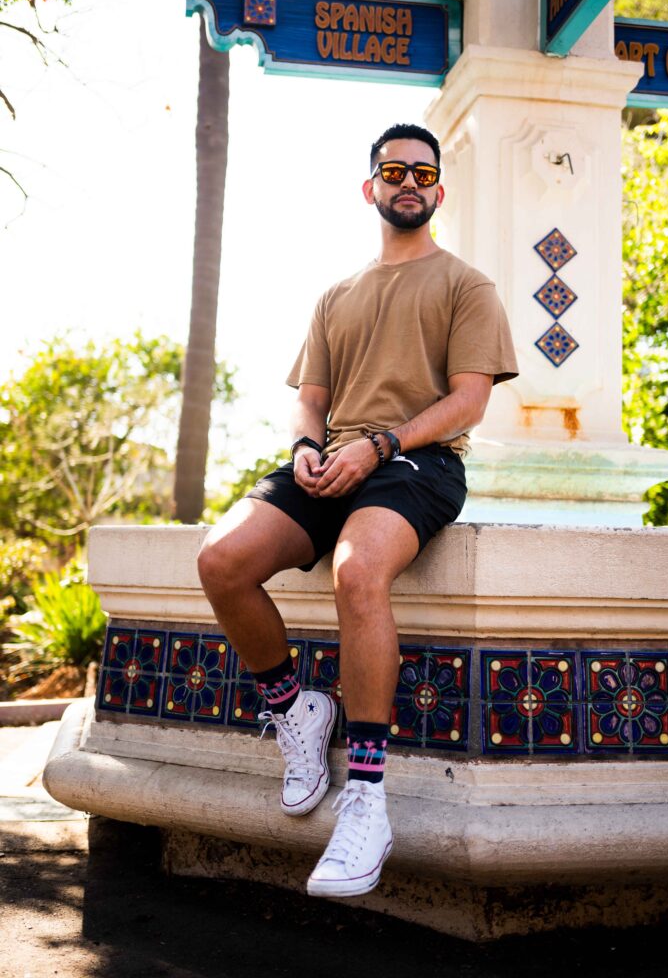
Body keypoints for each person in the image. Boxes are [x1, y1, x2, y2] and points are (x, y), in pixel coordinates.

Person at [197, 122, 518, 899]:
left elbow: (469, 398)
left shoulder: (465, 285)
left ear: (437, 191)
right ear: (369, 186)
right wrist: (309, 450)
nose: (407, 180)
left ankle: (367, 800)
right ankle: (296, 710)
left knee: (357, 573)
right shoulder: (335, 295)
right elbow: (311, 403)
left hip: (415, 463)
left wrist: (379, 446)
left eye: (421, 172)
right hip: (330, 462)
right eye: (392, 170)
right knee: (221, 560)